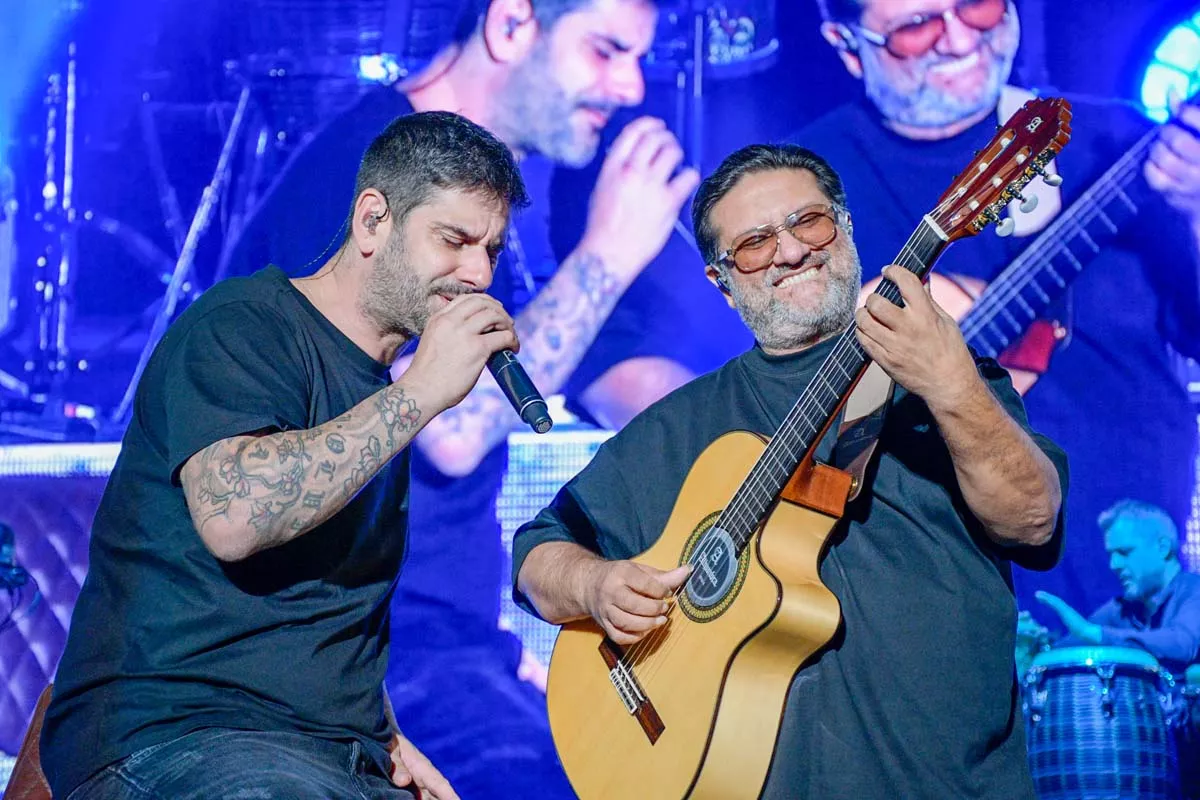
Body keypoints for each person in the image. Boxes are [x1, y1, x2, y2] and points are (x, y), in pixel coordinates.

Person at [221, 0, 746, 795]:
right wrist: (607, 251)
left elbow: (616, 376)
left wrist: (776, 417)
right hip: (343, 653)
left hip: (449, 647)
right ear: (510, 26)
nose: (630, 86)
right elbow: (447, 429)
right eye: (606, 50)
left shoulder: (495, 195)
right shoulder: (369, 174)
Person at [512, 143, 1069, 797]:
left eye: (810, 221)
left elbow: (1033, 520)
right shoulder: (677, 428)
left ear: (847, 229)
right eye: (754, 242)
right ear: (721, 282)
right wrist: (596, 584)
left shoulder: (950, 380)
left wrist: (952, 386)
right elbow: (534, 556)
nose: (791, 249)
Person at [40, 111, 527, 800]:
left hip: (320, 756)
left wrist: (380, 731)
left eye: (493, 250)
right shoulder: (242, 325)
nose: (477, 272)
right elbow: (236, 518)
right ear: (372, 222)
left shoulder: (379, 398)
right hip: (179, 737)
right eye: (454, 240)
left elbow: (312, 611)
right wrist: (419, 395)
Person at [793, 0, 1200, 616]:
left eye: (977, 7)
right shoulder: (797, 184)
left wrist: (1196, 212)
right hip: (915, 603)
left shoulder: (1123, 142)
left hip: (1126, 599)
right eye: (916, 25)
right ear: (847, 45)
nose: (958, 38)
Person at [1026, 499, 1200, 676]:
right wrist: (1033, 643)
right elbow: (1075, 642)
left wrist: (1096, 634)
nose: (1114, 564)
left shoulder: (1195, 591)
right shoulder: (1121, 609)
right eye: (1111, 555)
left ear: (1163, 548)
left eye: (1125, 552)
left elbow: (1183, 643)